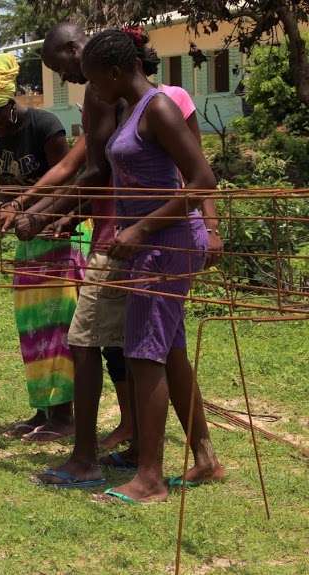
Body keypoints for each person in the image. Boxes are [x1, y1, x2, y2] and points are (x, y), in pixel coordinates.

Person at [80, 29, 224, 503]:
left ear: (117, 71)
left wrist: (141, 229)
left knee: (144, 354)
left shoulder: (158, 108)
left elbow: (203, 178)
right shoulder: (134, 112)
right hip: (150, 246)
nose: (93, 88)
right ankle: (205, 459)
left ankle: (150, 478)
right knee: (171, 352)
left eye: (95, 78)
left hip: (164, 247)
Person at [0, 53, 88, 442]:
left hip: (61, 238)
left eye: (0, 122)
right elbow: (7, 186)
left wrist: (28, 213)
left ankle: (63, 415)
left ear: (10, 104)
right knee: (34, 327)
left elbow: (68, 186)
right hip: (28, 240)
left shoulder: (46, 127)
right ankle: (42, 409)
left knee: (60, 325)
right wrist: (0, 212)